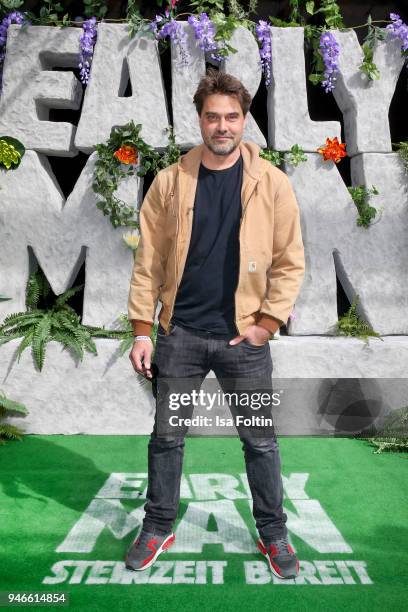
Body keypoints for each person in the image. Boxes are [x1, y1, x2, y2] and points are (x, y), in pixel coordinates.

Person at [125, 69, 305, 579]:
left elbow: (290, 260)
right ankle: (158, 525)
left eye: (231, 116)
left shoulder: (272, 182)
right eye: (212, 117)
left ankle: (274, 534)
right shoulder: (170, 180)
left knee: (261, 442)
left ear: (244, 120)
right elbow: (150, 261)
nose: (222, 126)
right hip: (179, 335)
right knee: (166, 438)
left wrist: (266, 323)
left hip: (243, 340)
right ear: (200, 120)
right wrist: (143, 329)